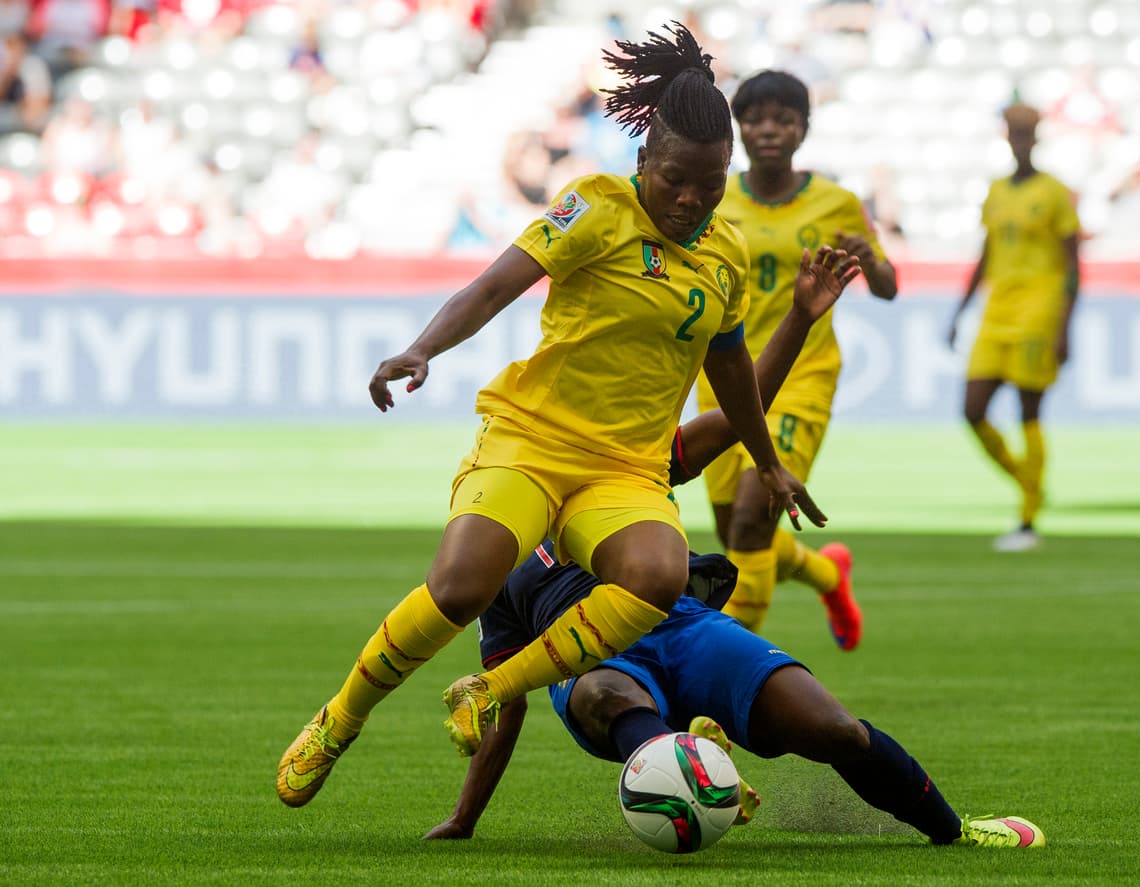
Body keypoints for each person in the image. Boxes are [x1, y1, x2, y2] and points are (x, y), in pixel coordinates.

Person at [276, 22, 835, 809]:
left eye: (711, 185)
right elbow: (494, 287)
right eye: (676, 179)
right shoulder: (595, 207)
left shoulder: (726, 255)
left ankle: (489, 687)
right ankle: (341, 718)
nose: (691, 199)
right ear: (643, 161)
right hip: (532, 441)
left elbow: (732, 369)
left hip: (623, 469)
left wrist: (768, 462)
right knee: (461, 587)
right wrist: (422, 347)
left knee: (659, 573)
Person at [422, 421, 1045, 849]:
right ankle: (700, 770)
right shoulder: (493, 560)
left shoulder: (623, 466)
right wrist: (464, 817)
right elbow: (505, 698)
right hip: (587, 657)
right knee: (601, 695)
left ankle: (954, 831)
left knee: (837, 731)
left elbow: (727, 416)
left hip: (683, 626)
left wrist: (799, 318)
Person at [695, 70, 898, 648]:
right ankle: (828, 575)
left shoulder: (837, 203)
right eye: (756, 119)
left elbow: (887, 287)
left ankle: (725, 671)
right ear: (738, 128)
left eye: (783, 120)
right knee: (737, 534)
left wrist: (871, 261)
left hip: (801, 377)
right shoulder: (714, 196)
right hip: (725, 378)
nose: (769, 130)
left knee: (752, 520)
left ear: (803, 130)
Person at [946, 103, 1081, 552]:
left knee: (1029, 411)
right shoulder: (997, 191)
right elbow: (985, 254)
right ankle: (1029, 482)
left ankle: (1027, 520)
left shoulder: (1055, 193)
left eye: (1026, 132)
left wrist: (1065, 326)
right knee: (972, 409)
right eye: (1014, 132)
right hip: (997, 309)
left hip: (1039, 309)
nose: (1020, 139)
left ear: (1036, 137)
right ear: (1007, 136)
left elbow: (1073, 264)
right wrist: (960, 311)